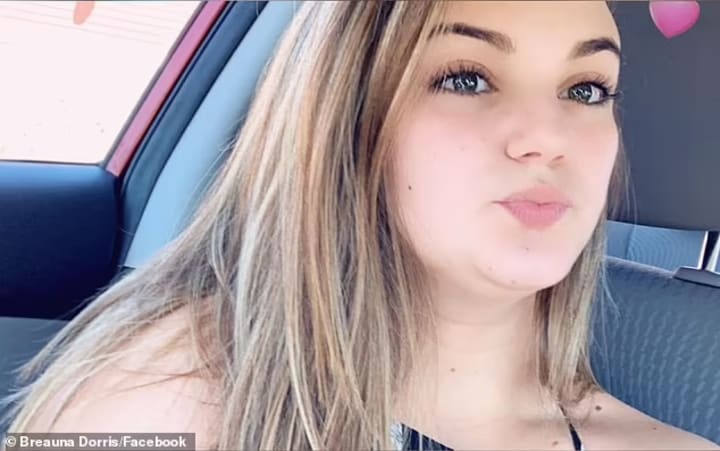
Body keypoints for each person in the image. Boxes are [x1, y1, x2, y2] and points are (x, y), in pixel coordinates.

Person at [2, 2, 719, 450]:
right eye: (466, 78)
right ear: (347, 119)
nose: (549, 137)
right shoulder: (171, 387)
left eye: (586, 90)